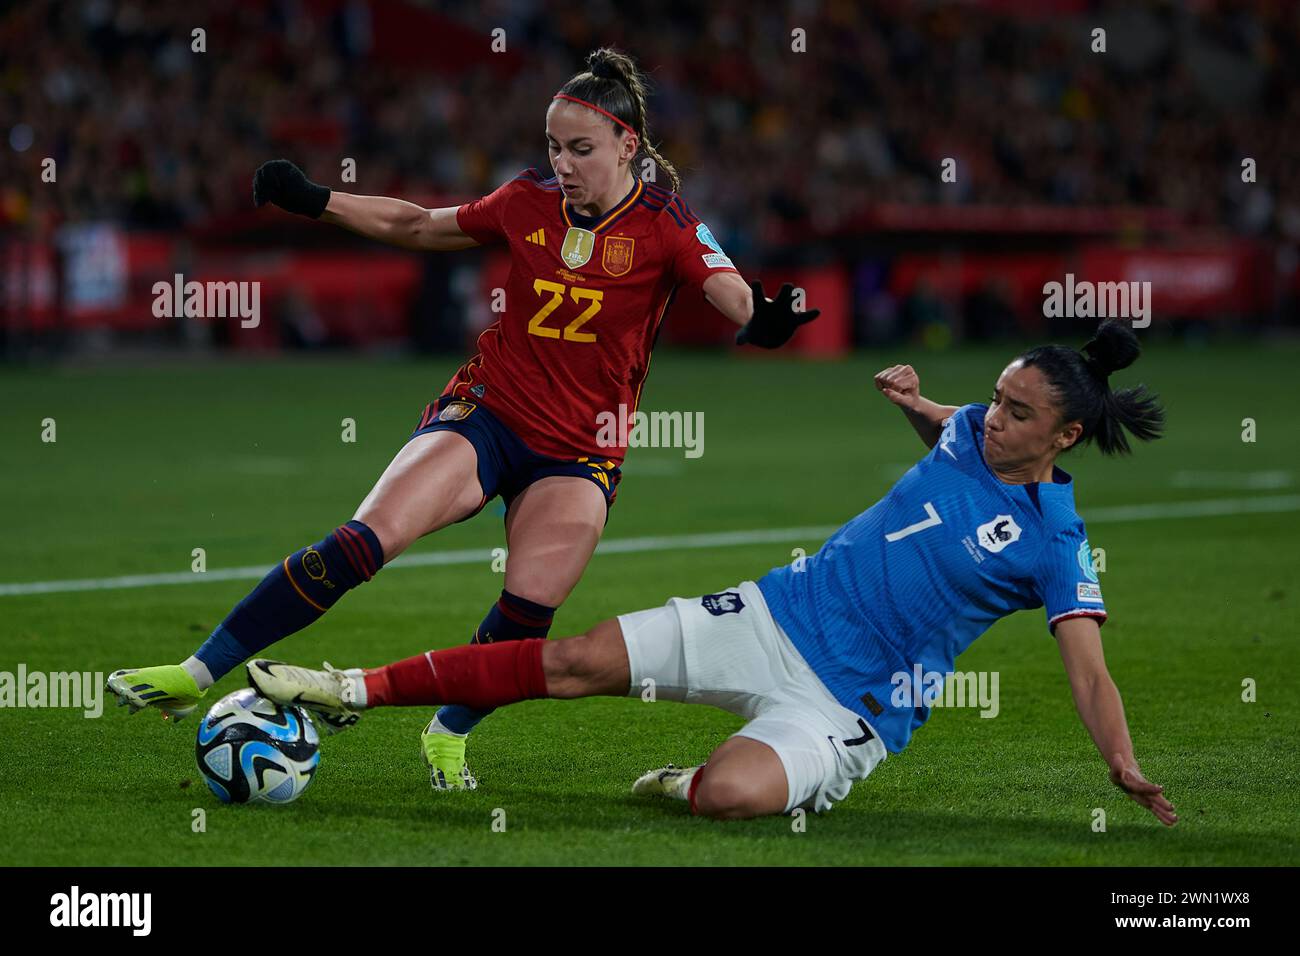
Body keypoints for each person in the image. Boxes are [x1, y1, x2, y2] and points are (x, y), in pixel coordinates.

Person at [106, 47, 819, 793]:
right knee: (361, 543)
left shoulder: (668, 223)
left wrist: (763, 319)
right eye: (553, 146)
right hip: (487, 411)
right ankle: (196, 672)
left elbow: (732, 291)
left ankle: (447, 731)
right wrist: (319, 200)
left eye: (581, 149)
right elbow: (418, 226)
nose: (564, 164)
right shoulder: (526, 202)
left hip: (581, 451)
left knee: (528, 614)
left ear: (626, 146)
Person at [244, 320, 1178, 825]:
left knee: (731, 798)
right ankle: (345, 687)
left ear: (1063, 439)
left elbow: (1088, 670)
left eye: (1016, 413)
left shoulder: (1059, 545)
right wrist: (916, 403)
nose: (992, 416)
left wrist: (1122, 763)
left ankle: (674, 780)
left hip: (848, 711)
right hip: (773, 614)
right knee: (569, 663)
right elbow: (951, 433)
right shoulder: (978, 430)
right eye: (998, 396)